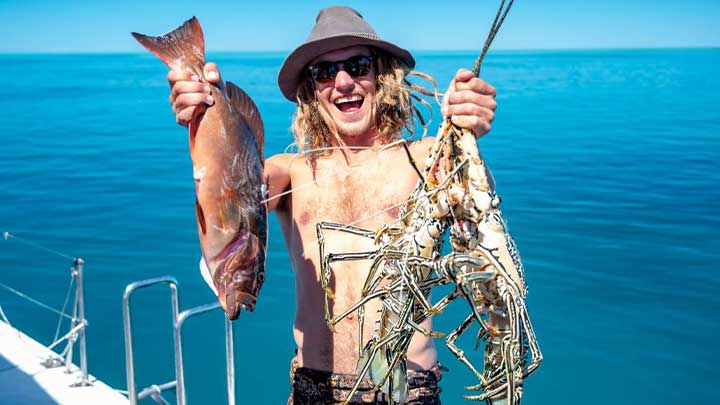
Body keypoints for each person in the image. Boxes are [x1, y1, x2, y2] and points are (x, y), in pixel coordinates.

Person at [168, 6, 498, 404]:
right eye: (324, 72)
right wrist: (205, 107)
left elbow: (479, 197)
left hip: (407, 394)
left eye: (358, 65)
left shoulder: (426, 159)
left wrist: (466, 129)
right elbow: (237, 189)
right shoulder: (293, 173)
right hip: (311, 390)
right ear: (311, 90)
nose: (343, 82)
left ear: (383, 76)